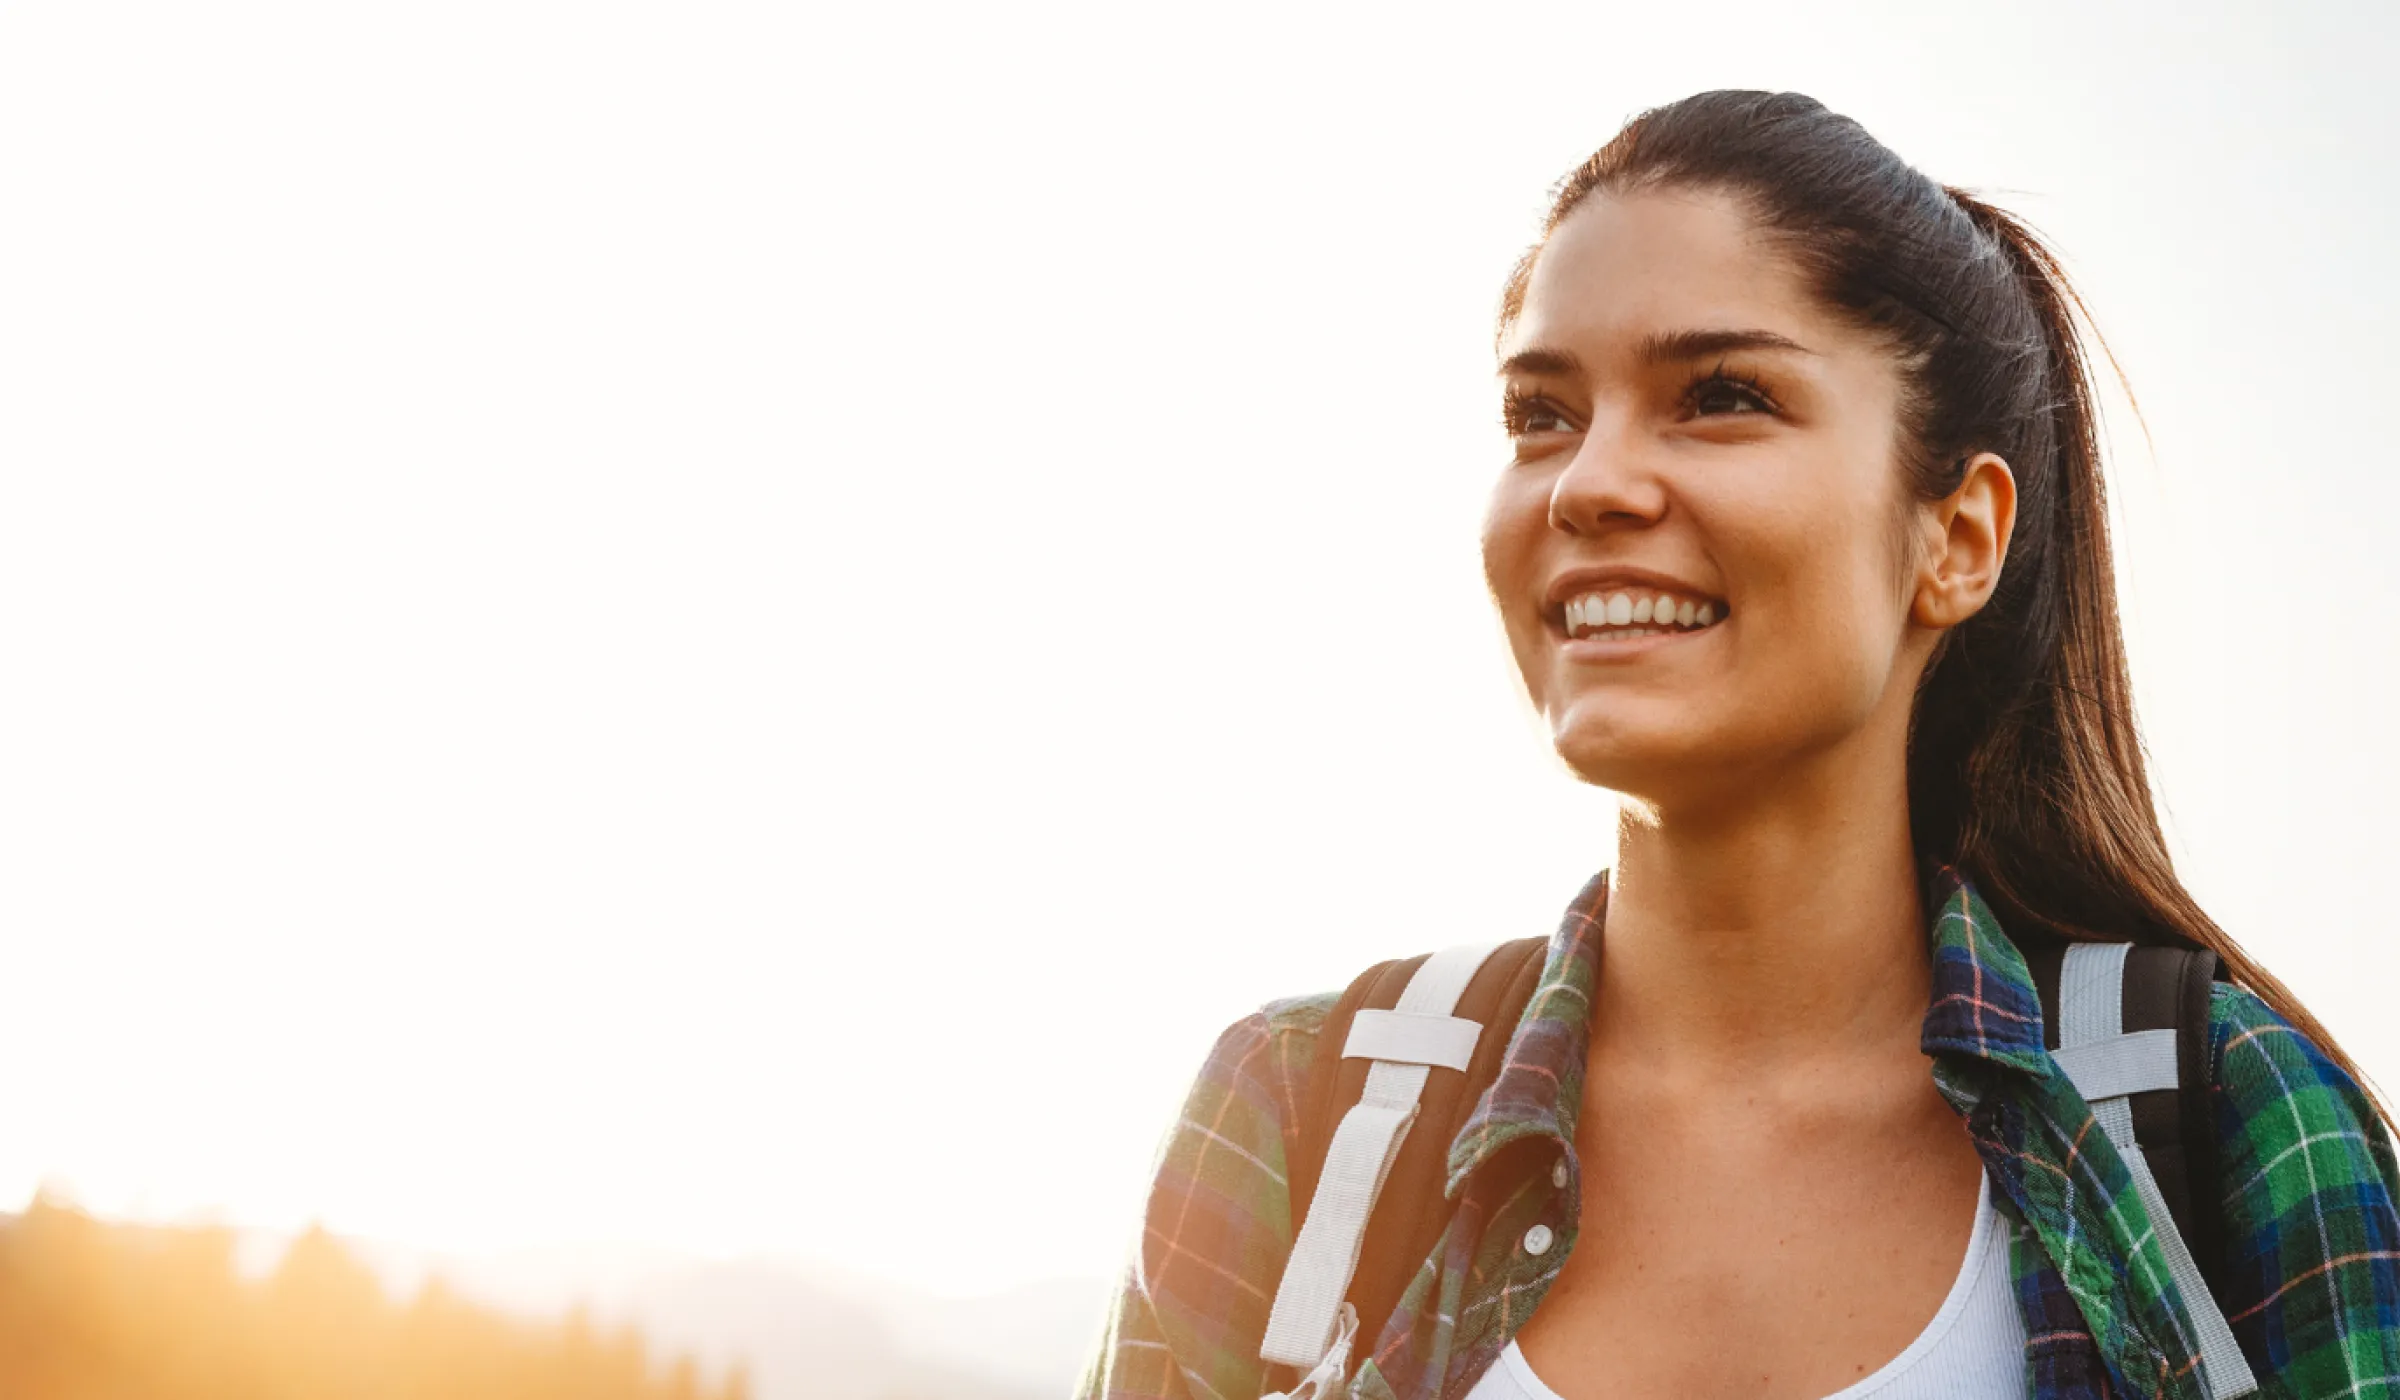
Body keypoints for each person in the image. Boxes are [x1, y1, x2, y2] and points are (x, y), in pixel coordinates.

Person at [1075, 90, 2400, 1400]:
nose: (1590, 480)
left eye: (1718, 395)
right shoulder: (1306, 1119)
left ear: (1960, 537)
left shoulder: (2225, 1125)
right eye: (1541, 414)